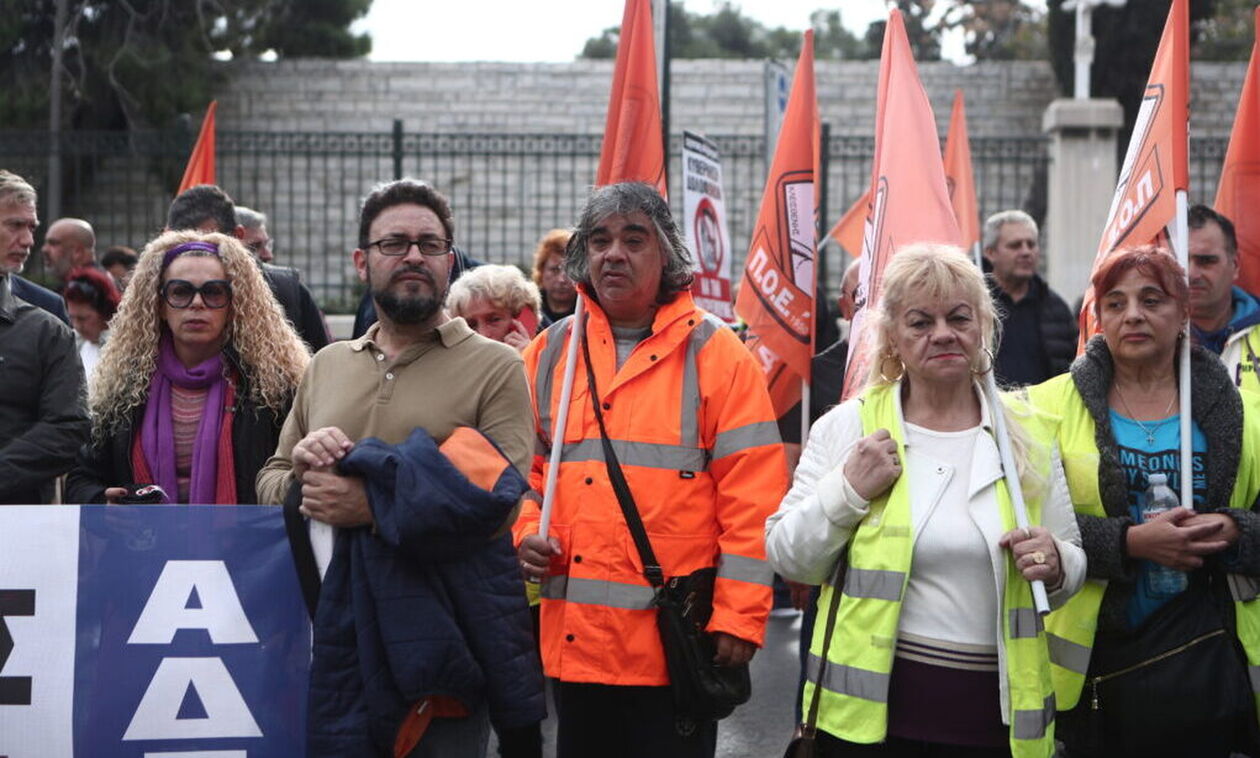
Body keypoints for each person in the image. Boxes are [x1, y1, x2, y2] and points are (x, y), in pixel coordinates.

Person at [255, 178, 544, 758]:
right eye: (394, 244)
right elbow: (270, 478)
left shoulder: (496, 367)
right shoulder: (327, 365)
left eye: (428, 244)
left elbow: (499, 500)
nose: (413, 255)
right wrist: (305, 479)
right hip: (334, 635)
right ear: (363, 261)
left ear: (450, 260)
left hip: (446, 641)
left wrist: (369, 506)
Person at [766, 243, 1086, 757]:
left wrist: (1056, 563)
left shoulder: (1025, 435)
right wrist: (848, 490)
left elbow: (1069, 564)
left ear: (982, 324)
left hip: (994, 729)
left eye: (958, 317)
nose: (942, 333)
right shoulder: (848, 428)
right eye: (920, 322)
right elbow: (789, 557)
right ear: (891, 335)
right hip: (864, 730)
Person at [515, 182, 786, 758]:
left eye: (633, 239)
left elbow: (753, 500)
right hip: (575, 646)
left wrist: (740, 617)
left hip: (674, 652)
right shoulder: (548, 353)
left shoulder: (718, 355)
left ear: (665, 254)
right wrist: (525, 530)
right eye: (600, 240)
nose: (613, 253)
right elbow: (522, 474)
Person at [1028, 245, 1260, 757]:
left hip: (1205, 662)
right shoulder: (1044, 409)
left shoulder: (1241, 413)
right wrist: (1130, 542)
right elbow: (1026, 528)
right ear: (1099, 317)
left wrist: (1237, 531)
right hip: (1094, 671)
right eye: (1115, 303)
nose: (1132, 314)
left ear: (1182, 313)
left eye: (1151, 300)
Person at [65, 231, 308, 506]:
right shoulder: (123, 386)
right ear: (159, 305)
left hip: (243, 545)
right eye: (180, 291)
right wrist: (101, 500)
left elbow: (294, 479)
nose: (196, 303)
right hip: (145, 544)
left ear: (233, 305)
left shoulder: (272, 389)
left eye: (213, 292)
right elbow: (81, 479)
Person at [0, 168, 88, 504]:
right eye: (14, 225)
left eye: (31, 227)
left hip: (18, 520)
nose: (28, 241)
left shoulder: (45, 318)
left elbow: (68, 425)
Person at [167, 185, 329, 352]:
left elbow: (322, 369)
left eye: (209, 246)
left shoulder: (285, 292)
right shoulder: (148, 299)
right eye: (180, 292)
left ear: (237, 236)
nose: (197, 303)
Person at [982, 210, 1076, 387]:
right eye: (1015, 245)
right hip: (990, 411)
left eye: (1031, 244)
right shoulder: (973, 304)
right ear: (990, 252)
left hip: (1043, 412)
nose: (1026, 252)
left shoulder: (1056, 308)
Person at [1187, 204, 1260, 392]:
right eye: (1180, 260)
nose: (1191, 273)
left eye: (1206, 261)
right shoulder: (1147, 340)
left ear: (1235, 265)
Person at [447, 263, 540, 351]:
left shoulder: (547, 361)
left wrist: (528, 358)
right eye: (471, 325)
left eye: (494, 320)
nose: (483, 335)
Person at [62, 266, 120, 389]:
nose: (77, 325)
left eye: (83, 318)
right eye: (72, 318)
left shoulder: (122, 350)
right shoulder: (72, 344)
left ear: (105, 312)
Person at [530, 228, 576, 328]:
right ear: (541, 271)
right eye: (554, 270)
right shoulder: (530, 307)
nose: (562, 280)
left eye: (569, 272)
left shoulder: (589, 309)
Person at [41, 217, 97, 289]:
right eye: (46, 243)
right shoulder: (74, 285)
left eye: (53, 243)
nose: (44, 250)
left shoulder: (87, 288)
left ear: (78, 251)